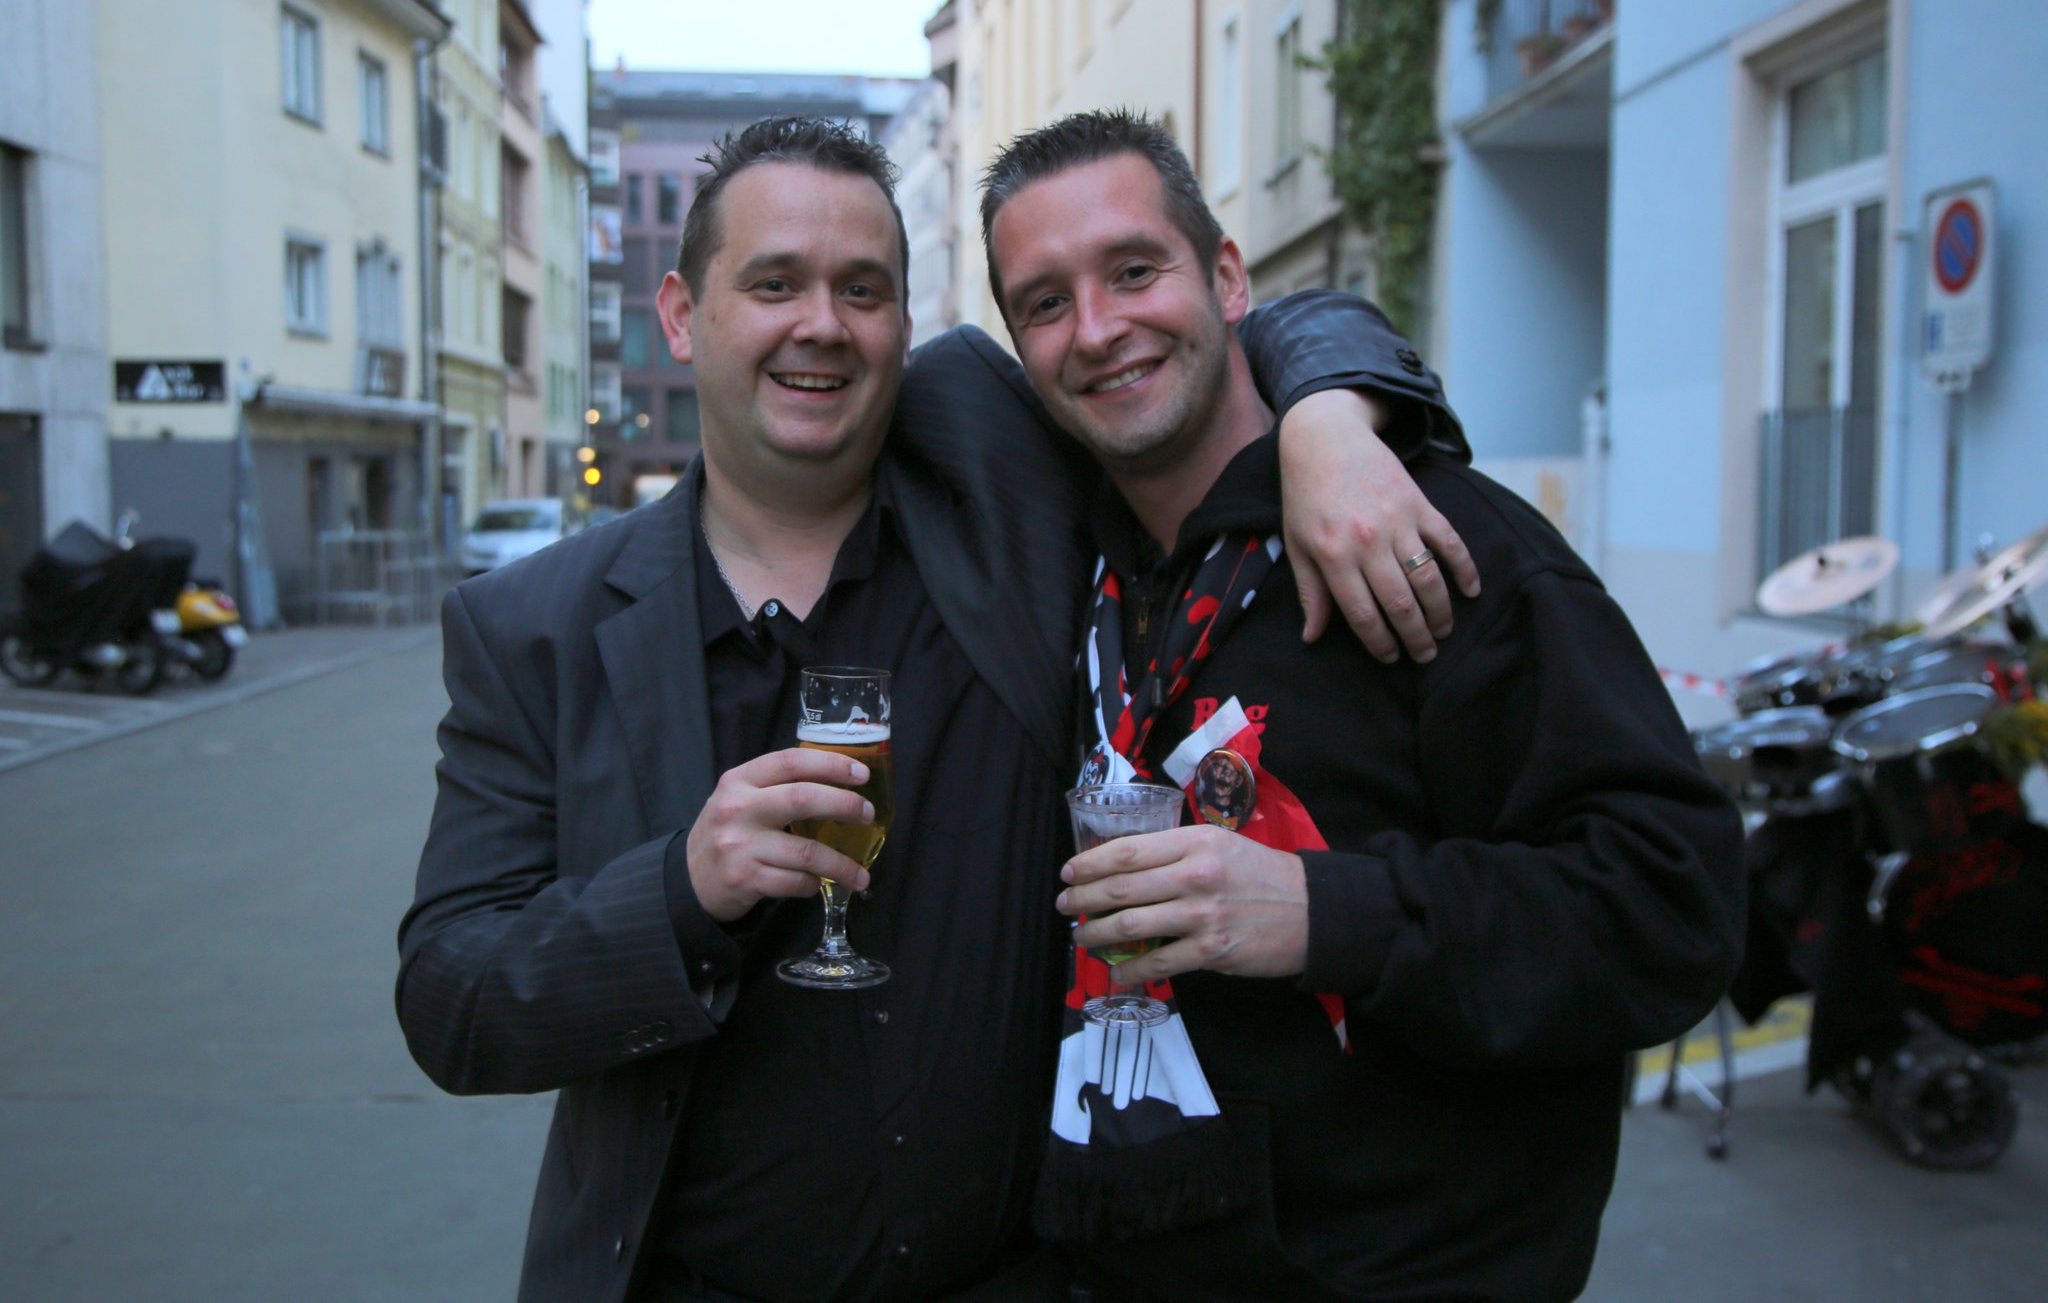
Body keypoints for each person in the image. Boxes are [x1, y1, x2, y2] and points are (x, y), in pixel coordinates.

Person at [396, 115, 1474, 1303]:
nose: (821, 324)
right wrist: (678, 893)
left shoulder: (996, 477)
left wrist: (1327, 415)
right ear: (680, 313)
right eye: (773, 283)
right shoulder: (532, 629)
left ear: (905, 325)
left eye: (862, 289)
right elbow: (452, 998)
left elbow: (1202, 331)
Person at [979, 109, 1745, 1302]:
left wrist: (1321, 912)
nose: (1095, 327)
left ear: (1227, 279)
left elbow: (1669, 904)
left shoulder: (1427, 538)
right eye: (1043, 302)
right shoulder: (1060, 559)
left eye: (1133, 271)